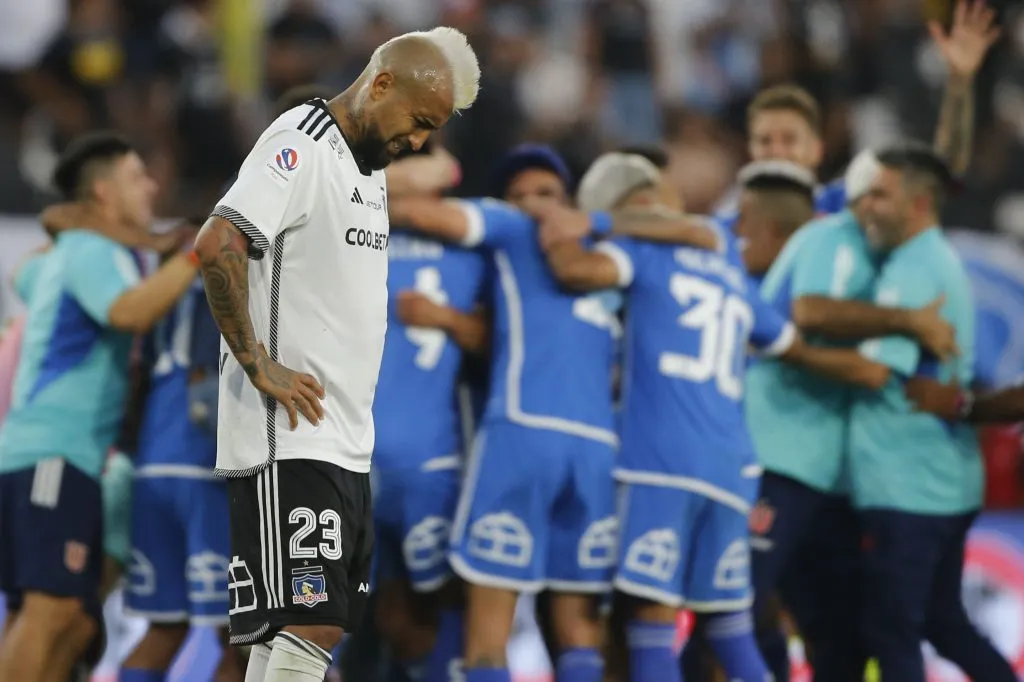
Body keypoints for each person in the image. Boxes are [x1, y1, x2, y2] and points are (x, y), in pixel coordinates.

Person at [193, 27, 480, 682]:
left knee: (292, 634)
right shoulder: (303, 140)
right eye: (416, 123)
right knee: (312, 620)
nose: (416, 142)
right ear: (381, 83)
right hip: (290, 438)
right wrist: (258, 361)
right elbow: (219, 244)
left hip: (346, 442)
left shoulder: (366, 169)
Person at [735, 155, 955, 681]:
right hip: (777, 459)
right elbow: (809, 311)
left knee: (835, 631)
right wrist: (904, 328)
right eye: (874, 197)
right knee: (738, 605)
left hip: (828, 478)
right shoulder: (829, 237)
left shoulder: (890, 259)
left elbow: (941, 167)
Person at [0, 131, 202, 682]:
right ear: (105, 191)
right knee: (51, 611)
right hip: (53, 451)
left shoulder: (72, 249)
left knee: (70, 621)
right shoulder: (95, 251)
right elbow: (129, 313)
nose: (153, 186)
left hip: (57, 454)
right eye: (138, 177)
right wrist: (195, 254)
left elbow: (23, 270)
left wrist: (117, 235)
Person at [838, 143, 1016, 682]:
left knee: (893, 628)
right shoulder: (932, 260)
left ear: (917, 204)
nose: (867, 207)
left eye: (880, 195)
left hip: (909, 482)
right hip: (938, 478)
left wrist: (788, 343)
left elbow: (873, 369)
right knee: (942, 623)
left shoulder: (912, 270)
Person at [371, 139, 489, 682]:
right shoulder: (362, 234)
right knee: (392, 616)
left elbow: (496, 338)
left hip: (433, 460)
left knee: (445, 604)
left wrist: (448, 321)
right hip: (356, 463)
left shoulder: (475, 246)